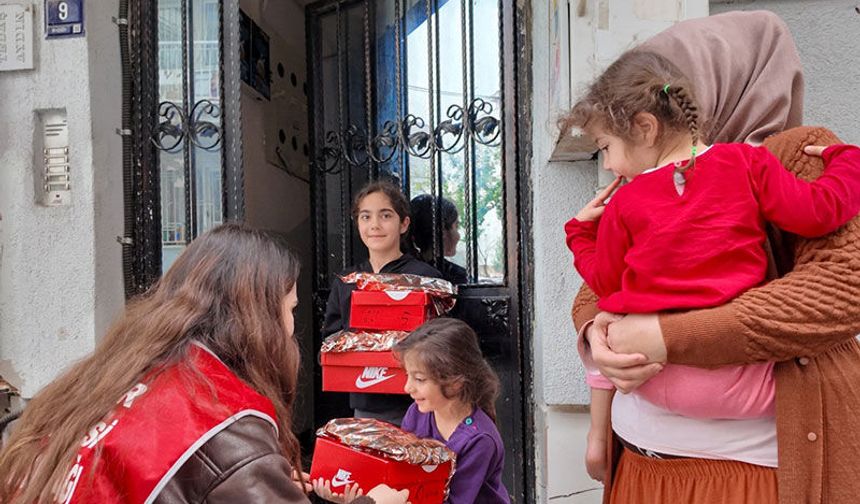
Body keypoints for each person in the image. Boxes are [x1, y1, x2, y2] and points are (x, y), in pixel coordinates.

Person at [570, 10, 860, 504]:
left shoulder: (790, 153)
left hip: (749, 470)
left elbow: (842, 286)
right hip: (641, 460)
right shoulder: (651, 183)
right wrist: (598, 333)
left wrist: (666, 336)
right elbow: (600, 289)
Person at [0, 224, 407, 504]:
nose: (289, 329)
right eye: (290, 310)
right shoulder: (228, 423)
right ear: (258, 319)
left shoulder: (122, 374)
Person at [322, 180, 443, 424]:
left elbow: (444, 343)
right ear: (357, 224)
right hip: (366, 408)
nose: (374, 225)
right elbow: (331, 341)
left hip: (419, 407)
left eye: (385, 215)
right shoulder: (346, 282)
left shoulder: (426, 278)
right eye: (365, 217)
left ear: (404, 223)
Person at [398, 318, 509, 504]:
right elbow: (402, 470)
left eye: (419, 379)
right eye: (407, 375)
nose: (407, 387)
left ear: (455, 383)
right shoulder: (416, 413)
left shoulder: (480, 440)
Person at [409, 194, 468, 285]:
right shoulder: (455, 276)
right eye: (456, 226)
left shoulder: (400, 271)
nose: (459, 236)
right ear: (442, 230)